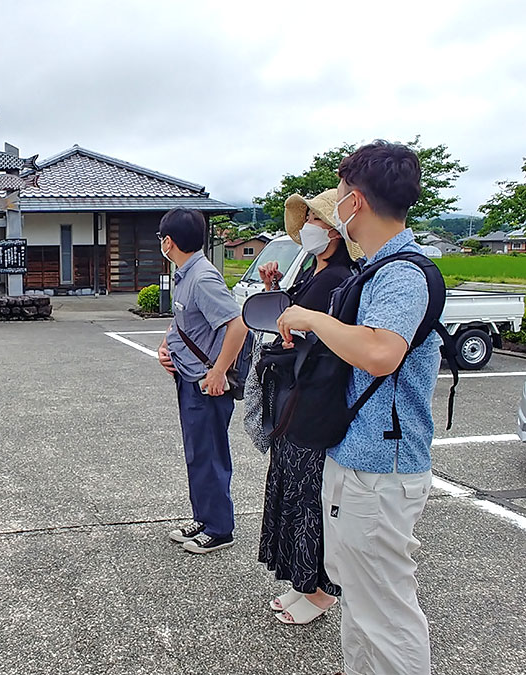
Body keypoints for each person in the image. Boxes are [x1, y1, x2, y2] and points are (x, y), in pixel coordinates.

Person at [276, 141, 439, 673]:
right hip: (359, 460)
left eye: (342, 191)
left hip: (381, 468)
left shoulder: (401, 273)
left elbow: (381, 352)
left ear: (357, 202)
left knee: (386, 616)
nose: (336, 204)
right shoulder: (377, 267)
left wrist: (313, 319)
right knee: (363, 610)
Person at [255, 189, 362, 625]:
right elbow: (289, 317)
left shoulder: (337, 277)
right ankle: (303, 583)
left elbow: (313, 335)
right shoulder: (314, 273)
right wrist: (273, 290)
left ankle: (319, 591)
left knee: (307, 496)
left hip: (313, 398)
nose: (310, 230)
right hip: (295, 397)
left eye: (317, 223)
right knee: (294, 488)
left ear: (334, 233)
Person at [156, 207, 248, 554]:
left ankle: (220, 529)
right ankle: (205, 518)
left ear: (169, 241)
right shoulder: (186, 274)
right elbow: (184, 323)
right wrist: (166, 347)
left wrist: (218, 371)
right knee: (198, 454)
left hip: (206, 384)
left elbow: (237, 324)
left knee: (209, 455)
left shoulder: (202, 277)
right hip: (190, 377)